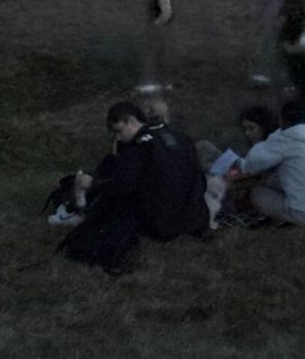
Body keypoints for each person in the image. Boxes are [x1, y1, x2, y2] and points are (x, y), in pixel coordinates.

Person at [59, 101, 212, 274]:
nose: (118, 138)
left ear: (130, 121)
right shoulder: (182, 138)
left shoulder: (140, 147)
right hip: (193, 217)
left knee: (119, 204)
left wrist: (94, 186)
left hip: (164, 223)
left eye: (119, 131)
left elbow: (123, 187)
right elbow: (199, 180)